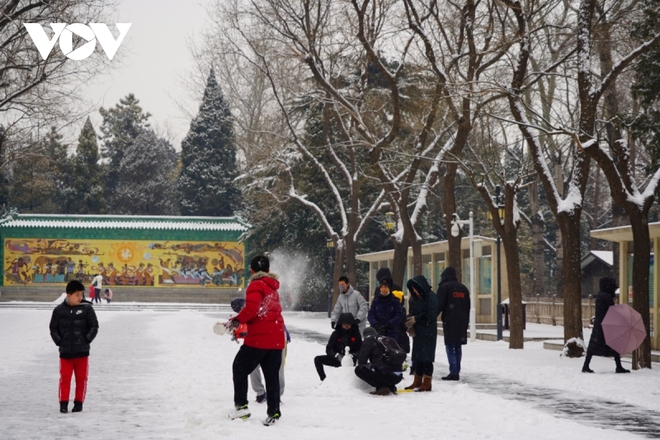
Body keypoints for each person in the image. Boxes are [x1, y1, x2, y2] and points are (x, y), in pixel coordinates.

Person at [228, 255, 285, 426]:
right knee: (271, 375)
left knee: (239, 367)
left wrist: (238, 320)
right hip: (276, 338)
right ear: (268, 270)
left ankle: (241, 407)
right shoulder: (273, 288)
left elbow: (253, 308)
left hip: (259, 338)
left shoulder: (256, 285)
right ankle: (274, 411)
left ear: (252, 270)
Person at [49, 280, 99, 413]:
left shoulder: (87, 309)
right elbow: (53, 328)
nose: (80, 297)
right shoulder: (59, 310)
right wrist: (59, 341)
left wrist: (86, 339)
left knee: (81, 379)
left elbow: (94, 326)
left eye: (81, 294)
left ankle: (78, 403)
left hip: (82, 352)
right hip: (65, 353)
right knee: (65, 379)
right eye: (77, 295)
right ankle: (63, 403)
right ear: (68, 295)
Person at [229, 297, 289, 404]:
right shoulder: (264, 302)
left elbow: (254, 326)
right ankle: (275, 397)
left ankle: (262, 394)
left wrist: (237, 329)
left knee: (253, 367)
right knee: (275, 369)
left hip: (264, 340)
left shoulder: (251, 308)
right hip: (278, 338)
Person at [582, 277, 630, 374]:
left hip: (599, 324)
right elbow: (612, 310)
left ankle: (586, 365)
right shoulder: (607, 296)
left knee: (593, 346)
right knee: (615, 344)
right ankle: (618, 366)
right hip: (607, 324)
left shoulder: (600, 295)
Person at [404, 275, 439, 391]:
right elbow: (413, 311)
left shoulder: (431, 297)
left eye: (416, 289)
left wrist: (417, 318)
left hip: (428, 332)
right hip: (419, 332)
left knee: (427, 358)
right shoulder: (417, 298)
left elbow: (431, 315)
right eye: (413, 289)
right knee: (418, 357)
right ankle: (417, 380)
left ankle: (427, 382)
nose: (415, 292)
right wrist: (410, 321)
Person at [437, 267, 470, 381]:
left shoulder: (444, 287)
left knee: (450, 346)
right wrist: (466, 321)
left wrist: (431, 317)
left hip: (450, 320)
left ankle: (454, 372)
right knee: (458, 346)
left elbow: (439, 305)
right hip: (462, 321)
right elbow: (467, 306)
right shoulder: (463, 288)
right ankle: (456, 370)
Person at [354, 327, 403, 395]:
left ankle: (382, 387)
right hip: (398, 376)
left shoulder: (368, 340)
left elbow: (361, 361)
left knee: (359, 369)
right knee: (382, 365)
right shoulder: (385, 339)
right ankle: (391, 386)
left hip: (386, 375)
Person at [315, 312, 362, 381]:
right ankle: (324, 380)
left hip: (350, 362)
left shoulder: (356, 334)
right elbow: (329, 349)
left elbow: (360, 349)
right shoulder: (336, 334)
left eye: (348, 326)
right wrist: (336, 355)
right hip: (337, 359)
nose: (346, 328)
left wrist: (352, 356)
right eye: (344, 325)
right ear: (341, 325)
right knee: (317, 359)